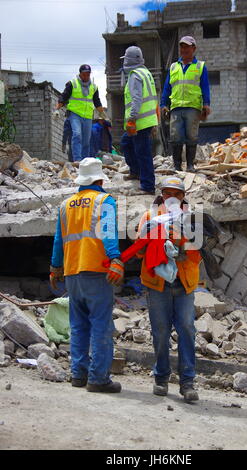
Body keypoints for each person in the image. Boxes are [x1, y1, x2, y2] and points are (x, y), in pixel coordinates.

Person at [49, 157, 124, 393]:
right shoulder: (104, 200)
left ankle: (78, 374)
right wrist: (115, 259)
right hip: (96, 271)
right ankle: (98, 378)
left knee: (78, 325)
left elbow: (59, 240)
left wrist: (55, 267)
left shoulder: (65, 205)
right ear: (101, 178)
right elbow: (109, 232)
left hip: (72, 273)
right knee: (101, 326)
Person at [137, 176, 202, 403]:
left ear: (183, 197)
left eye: (177, 194)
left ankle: (188, 383)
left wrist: (181, 245)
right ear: (161, 195)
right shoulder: (149, 217)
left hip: (183, 284)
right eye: (167, 193)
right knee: (161, 331)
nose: (172, 197)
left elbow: (198, 254)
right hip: (157, 284)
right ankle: (161, 378)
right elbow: (139, 251)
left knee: (186, 329)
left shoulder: (193, 220)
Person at [160, 36, 211, 172]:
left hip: (193, 107)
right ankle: (177, 165)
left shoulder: (200, 66)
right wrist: (163, 104)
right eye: (182, 47)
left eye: (187, 47)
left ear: (193, 48)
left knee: (191, 136)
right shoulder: (173, 67)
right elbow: (167, 87)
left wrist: (206, 104)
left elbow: (205, 86)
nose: (184, 49)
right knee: (175, 137)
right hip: (176, 107)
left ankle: (190, 165)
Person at [120, 46, 158, 195]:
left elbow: (137, 99)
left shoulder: (135, 75)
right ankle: (135, 171)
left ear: (129, 60)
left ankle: (148, 186)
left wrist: (132, 119)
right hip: (145, 120)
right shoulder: (145, 73)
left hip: (139, 121)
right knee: (126, 143)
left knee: (143, 152)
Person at [55, 64, 106, 162]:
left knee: (86, 141)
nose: (86, 76)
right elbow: (63, 97)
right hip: (74, 114)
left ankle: (85, 161)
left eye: (88, 74)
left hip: (87, 116)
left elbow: (97, 101)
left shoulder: (94, 87)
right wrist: (57, 109)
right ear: (80, 74)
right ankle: (77, 160)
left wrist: (102, 113)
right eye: (84, 74)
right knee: (77, 134)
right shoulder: (72, 84)